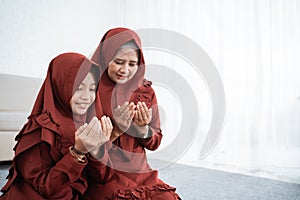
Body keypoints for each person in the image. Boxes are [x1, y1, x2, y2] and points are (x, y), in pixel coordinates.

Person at [0, 52, 113, 200]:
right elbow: (46, 189)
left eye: (92, 89)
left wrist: (98, 149)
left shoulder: (88, 124)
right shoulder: (39, 131)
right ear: (59, 85)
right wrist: (77, 152)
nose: (86, 97)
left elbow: (102, 178)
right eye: (78, 88)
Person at [85, 27, 181, 199]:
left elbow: (154, 142)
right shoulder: (90, 90)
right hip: (104, 174)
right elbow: (86, 145)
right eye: (119, 62)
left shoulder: (145, 92)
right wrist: (116, 129)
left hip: (140, 172)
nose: (125, 70)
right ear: (106, 57)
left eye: (132, 64)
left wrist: (143, 129)